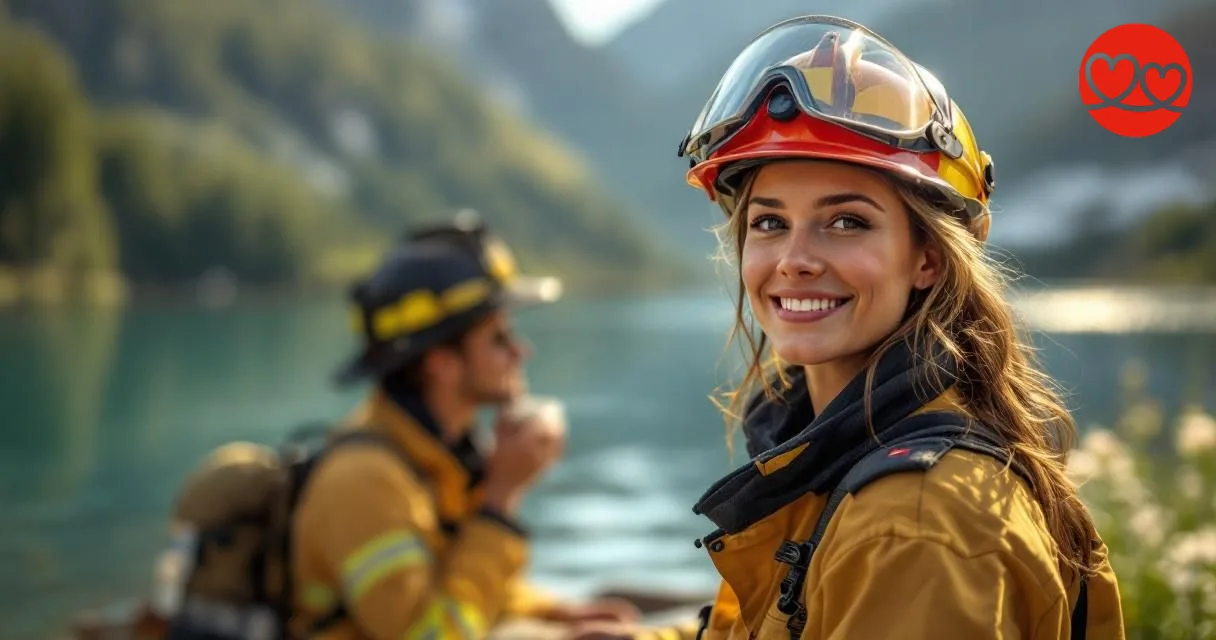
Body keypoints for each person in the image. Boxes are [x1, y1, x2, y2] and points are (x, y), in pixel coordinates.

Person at [568, 14, 1125, 640]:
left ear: (928, 258)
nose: (793, 260)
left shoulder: (916, 525)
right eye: (770, 222)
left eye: (846, 222)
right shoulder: (841, 449)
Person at [290, 212, 641, 639]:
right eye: (498, 338)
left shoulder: (437, 452)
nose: (520, 351)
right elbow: (432, 634)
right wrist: (501, 498)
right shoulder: (365, 482)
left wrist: (557, 613)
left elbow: (455, 581)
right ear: (440, 362)